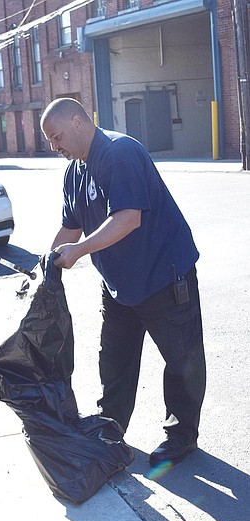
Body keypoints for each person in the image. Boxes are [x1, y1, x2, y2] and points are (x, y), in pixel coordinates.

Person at [41, 98, 206, 467]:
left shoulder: (120, 153)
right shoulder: (74, 172)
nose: (54, 146)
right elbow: (71, 227)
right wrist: (46, 265)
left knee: (182, 363)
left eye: (57, 137)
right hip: (118, 284)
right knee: (114, 361)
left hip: (164, 277)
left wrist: (79, 250)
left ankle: (181, 436)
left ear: (78, 122)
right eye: (51, 141)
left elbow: (128, 218)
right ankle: (111, 427)